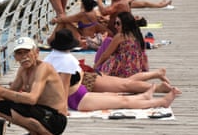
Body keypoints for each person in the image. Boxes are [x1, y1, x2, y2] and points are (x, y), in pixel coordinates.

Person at [45, 29, 179, 112]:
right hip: (77, 98)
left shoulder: (48, 59)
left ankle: (144, 96)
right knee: (122, 102)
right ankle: (161, 102)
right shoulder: (68, 61)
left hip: (79, 94)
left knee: (116, 96)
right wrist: (62, 109)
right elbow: (62, 88)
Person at [0, 37, 67, 135]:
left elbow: (32, 99)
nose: (24, 56)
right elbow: (9, 94)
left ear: (36, 52)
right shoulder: (23, 70)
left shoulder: (43, 68)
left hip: (56, 120)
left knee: (17, 108)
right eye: (19, 53)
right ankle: (35, 134)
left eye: (27, 52)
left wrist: (2, 92)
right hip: (41, 113)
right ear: (15, 57)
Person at [94, 11, 148, 77]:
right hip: (136, 69)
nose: (115, 26)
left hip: (121, 69)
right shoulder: (138, 36)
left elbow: (105, 55)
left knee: (107, 41)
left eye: (118, 23)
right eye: (115, 23)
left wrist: (96, 65)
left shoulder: (120, 36)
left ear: (125, 24)